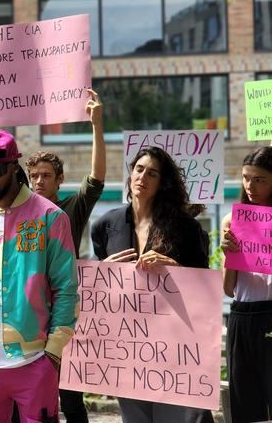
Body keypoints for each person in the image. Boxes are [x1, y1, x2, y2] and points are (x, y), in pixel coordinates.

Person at [0, 130, 79, 423]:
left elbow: (67, 288)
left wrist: (53, 352)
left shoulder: (50, 216)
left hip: (33, 359)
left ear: (13, 167)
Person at [91, 146, 213, 423]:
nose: (142, 177)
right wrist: (103, 272)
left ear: (162, 183)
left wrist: (177, 269)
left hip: (175, 347)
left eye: (152, 173)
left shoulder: (185, 227)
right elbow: (100, 291)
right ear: (130, 172)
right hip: (129, 346)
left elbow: (204, 290)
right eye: (139, 169)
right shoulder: (105, 225)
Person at [221, 146, 272, 423]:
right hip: (241, 316)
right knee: (244, 403)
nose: (250, 186)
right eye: (245, 178)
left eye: (259, 179)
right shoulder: (232, 221)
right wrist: (230, 255)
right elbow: (228, 289)